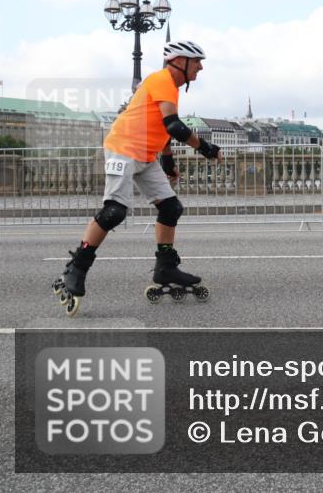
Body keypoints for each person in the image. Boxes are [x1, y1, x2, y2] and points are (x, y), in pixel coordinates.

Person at [53, 40, 222, 316]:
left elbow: (163, 127)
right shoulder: (161, 79)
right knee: (114, 212)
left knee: (171, 207)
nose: (201, 67)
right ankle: (75, 269)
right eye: (197, 61)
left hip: (145, 155)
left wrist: (167, 162)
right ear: (180, 61)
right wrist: (206, 148)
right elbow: (176, 127)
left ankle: (165, 266)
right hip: (123, 148)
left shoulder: (170, 87)